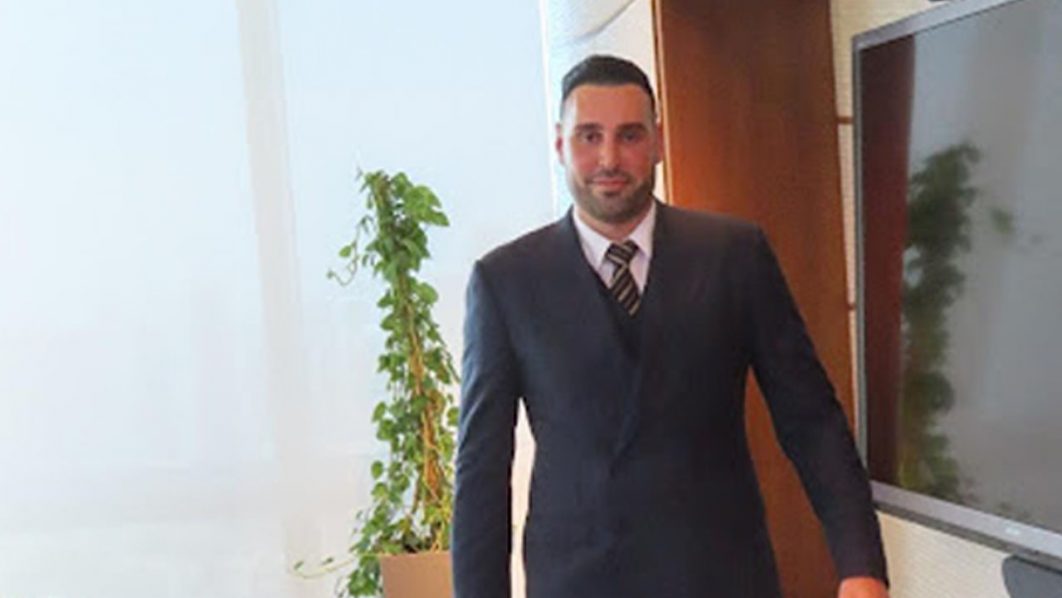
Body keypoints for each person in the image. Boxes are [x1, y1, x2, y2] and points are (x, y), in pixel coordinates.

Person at [451, 54, 889, 598]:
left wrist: (861, 565)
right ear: (560, 144)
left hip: (722, 578)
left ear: (658, 141)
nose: (609, 158)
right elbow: (482, 469)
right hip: (579, 583)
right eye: (589, 136)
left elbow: (811, 418)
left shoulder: (734, 255)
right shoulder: (506, 282)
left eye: (629, 135)